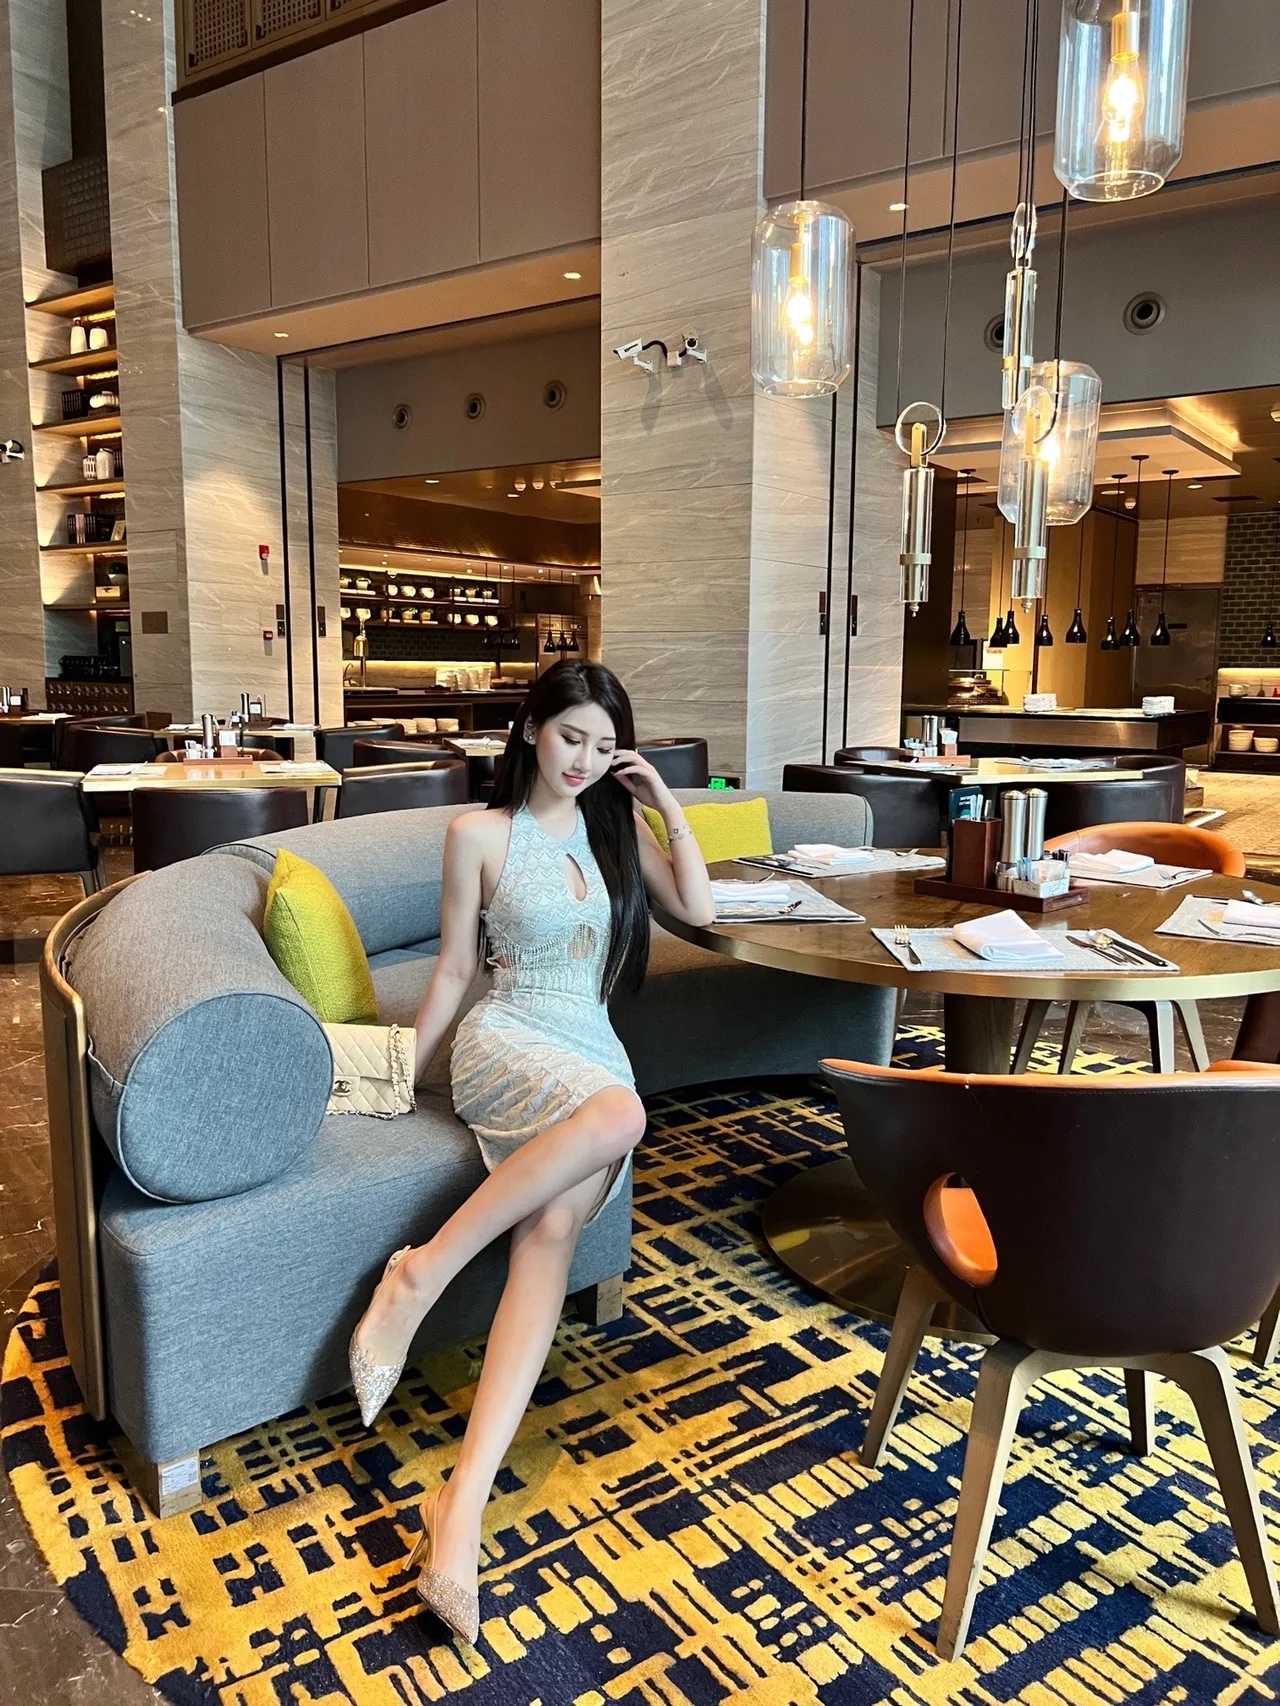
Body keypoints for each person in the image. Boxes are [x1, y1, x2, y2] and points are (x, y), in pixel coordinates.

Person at [347, 659, 714, 1643]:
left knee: (552, 1226)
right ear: (529, 731)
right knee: (624, 1117)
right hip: (506, 1039)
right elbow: (453, 970)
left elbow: (703, 910)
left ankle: (458, 1510)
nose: (583, 761)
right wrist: (401, 1074)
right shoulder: (478, 834)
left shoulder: (614, 831)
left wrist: (665, 802)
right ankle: (420, 1275)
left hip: (589, 1049)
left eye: (604, 746)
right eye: (569, 738)